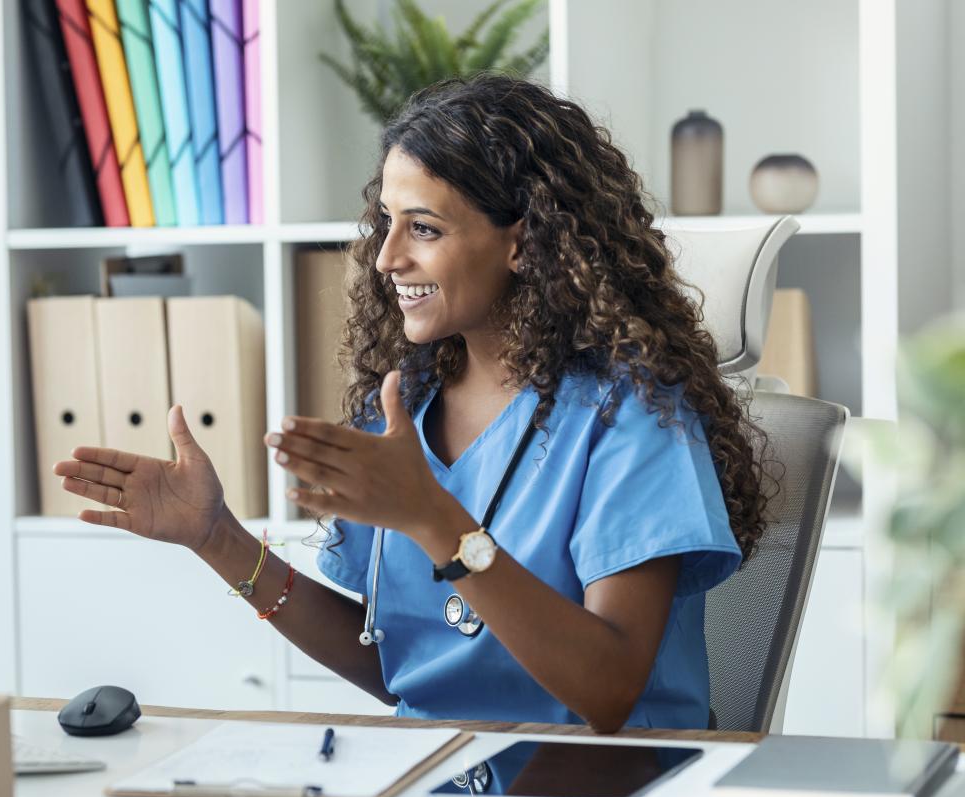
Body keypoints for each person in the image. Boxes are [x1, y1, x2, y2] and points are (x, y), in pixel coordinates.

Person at [53, 74, 769, 733]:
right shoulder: (407, 401)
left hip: (597, 790)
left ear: (523, 242)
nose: (387, 257)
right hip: (432, 782)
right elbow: (404, 670)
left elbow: (609, 691)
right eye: (387, 222)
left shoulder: (631, 411)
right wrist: (217, 537)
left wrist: (433, 518)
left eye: (423, 228)